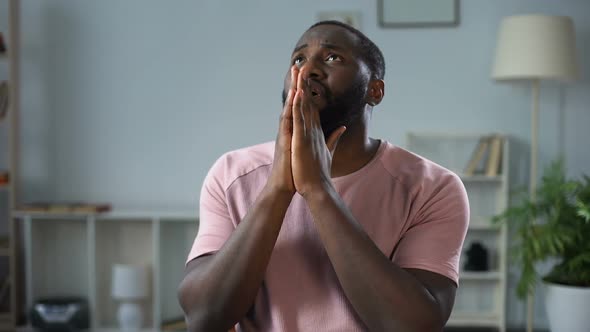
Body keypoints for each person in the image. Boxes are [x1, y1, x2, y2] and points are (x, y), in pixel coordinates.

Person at [178, 20, 469, 332]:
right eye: (298, 59)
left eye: (332, 58)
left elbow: (414, 326)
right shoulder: (231, 172)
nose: (308, 70)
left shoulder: (433, 187)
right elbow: (204, 317)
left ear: (375, 90)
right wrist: (277, 189)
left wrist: (318, 190)